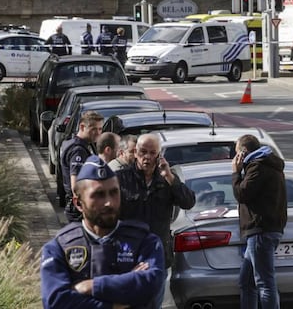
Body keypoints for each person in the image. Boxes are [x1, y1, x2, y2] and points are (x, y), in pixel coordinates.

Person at [40, 155, 166, 309]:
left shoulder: (145, 241)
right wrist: (112, 304)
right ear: (78, 203)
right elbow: (55, 302)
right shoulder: (59, 247)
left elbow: (150, 284)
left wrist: (91, 286)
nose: (109, 202)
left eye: (114, 192)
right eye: (98, 195)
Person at [115, 133, 196, 308]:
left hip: (158, 256)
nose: (147, 157)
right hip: (129, 255)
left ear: (159, 155)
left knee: (154, 304)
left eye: (152, 153)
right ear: (135, 152)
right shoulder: (121, 178)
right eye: (143, 152)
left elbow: (188, 202)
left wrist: (169, 177)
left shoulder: (167, 178)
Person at [231, 134, 287, 309]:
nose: (235, 158)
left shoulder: (258, 167)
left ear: (243, 152)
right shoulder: (267, 165)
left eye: (236, 153)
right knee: (246, 282)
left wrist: (235, 172)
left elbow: (242, 194)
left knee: (264, 283)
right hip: (265, 230)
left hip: (260, 230)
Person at [59, 111, 104, 222]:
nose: (98, 133)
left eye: (100, 129)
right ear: (82, 127)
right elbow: (76, 185)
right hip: (80, 207)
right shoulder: (78, 150)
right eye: (94, 129)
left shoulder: (83, 145)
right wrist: (84, 207)